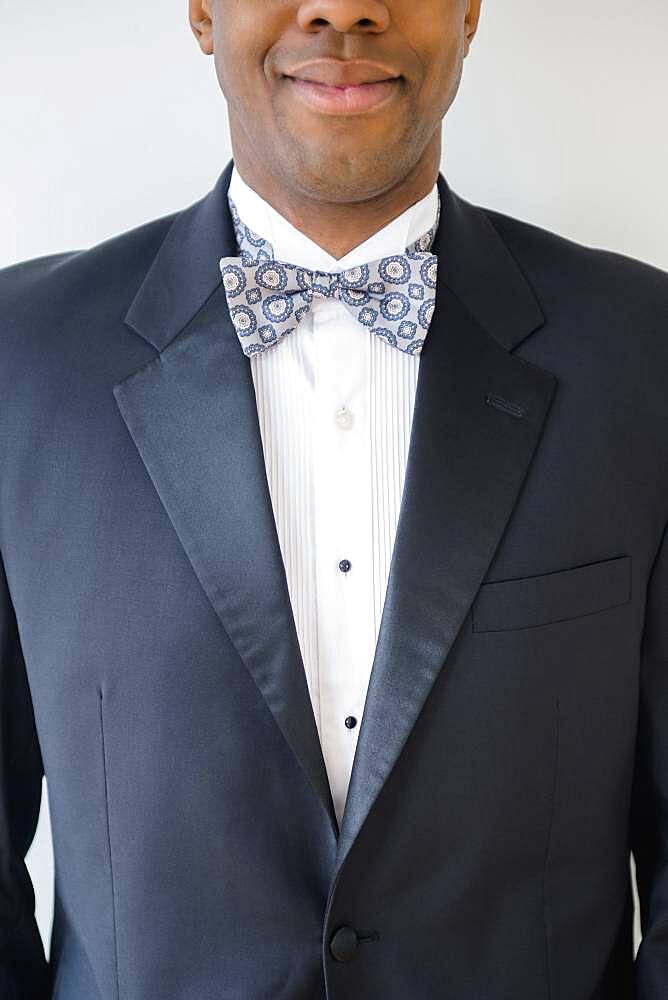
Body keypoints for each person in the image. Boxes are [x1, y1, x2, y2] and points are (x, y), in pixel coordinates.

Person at [1, 0, 667, 996]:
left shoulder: (642, 353)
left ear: (469, 10)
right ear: (199, 10)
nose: (342, 7)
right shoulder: (21, 359)